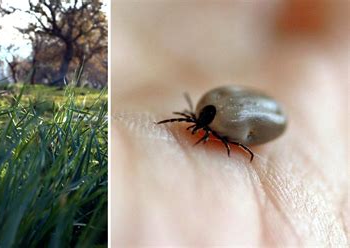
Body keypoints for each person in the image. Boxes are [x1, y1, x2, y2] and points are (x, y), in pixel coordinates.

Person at [111, 1, 349, 246]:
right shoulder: (212, 112)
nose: (195, 126)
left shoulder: (223, 117)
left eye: (199, 122)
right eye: (198, 120)